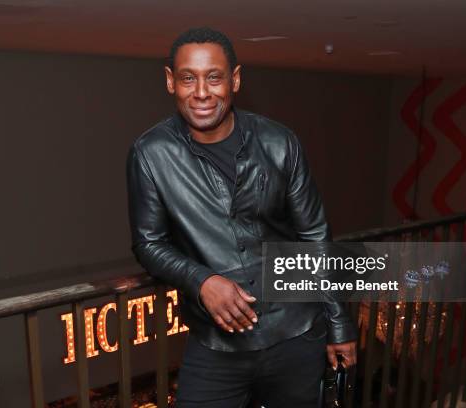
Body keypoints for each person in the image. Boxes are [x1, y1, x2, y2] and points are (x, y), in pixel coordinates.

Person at [126, 27, 357, 408]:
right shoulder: (150, 154)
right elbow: (148, 243)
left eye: (214, 77)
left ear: (234, 80)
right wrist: (202, 281)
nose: (201, 92)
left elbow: (315, 237)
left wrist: (339, 324)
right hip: (217, 343)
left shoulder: (280, 142)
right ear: (171, 82)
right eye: (188, 78)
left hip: (297, 332)